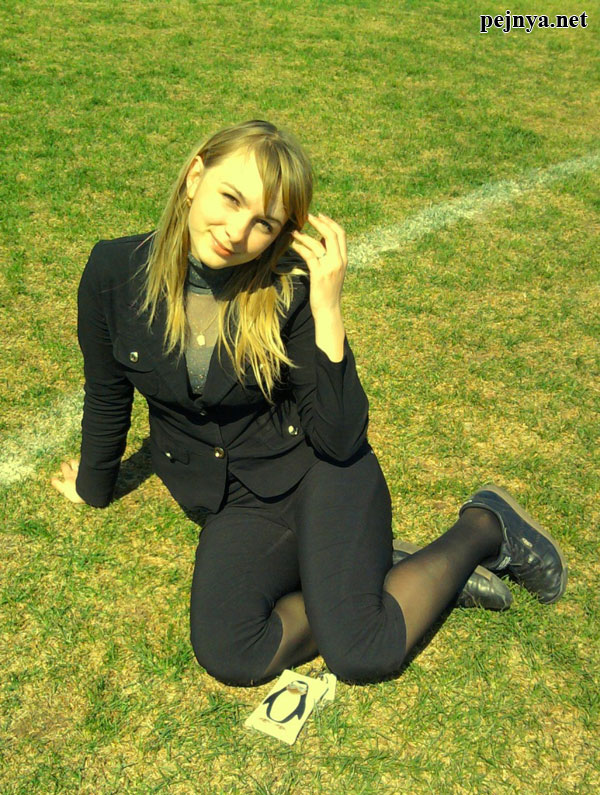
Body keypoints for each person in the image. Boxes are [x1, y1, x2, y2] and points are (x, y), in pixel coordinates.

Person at [51, 120, 568, 687]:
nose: (236, 232)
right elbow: (106, 392)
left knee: (361, 653)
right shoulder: (113, 272)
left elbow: (340, 440)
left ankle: (485, 526)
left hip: (321, 474)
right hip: (237, 502)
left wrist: (327, 308)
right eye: (231, 199)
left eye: (264, 223)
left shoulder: (288, 285)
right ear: (195, 176)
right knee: (232, 653)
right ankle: (366, 578)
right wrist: (93, 487)